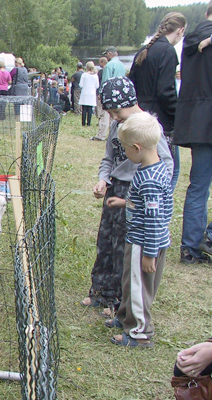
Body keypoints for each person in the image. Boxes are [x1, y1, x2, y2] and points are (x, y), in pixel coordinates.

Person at [81, 77, 174, 314]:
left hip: (136, 193)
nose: (113, 117)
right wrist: (104, 179)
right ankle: (101, 291)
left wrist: (151, 193)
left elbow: (166, 164)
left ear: (130, 102)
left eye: (116, 111)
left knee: (125, 246)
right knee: (106, 241)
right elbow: (108, 158)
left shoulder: (146, 128)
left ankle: (120, 301)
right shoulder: (117, 126)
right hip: (115, 189)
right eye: (109, 112)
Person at [104, 112, 173, 348]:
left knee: (138, 287)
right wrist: (126, 202)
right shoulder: (155, 169)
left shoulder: (149, 180)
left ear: (136, 147)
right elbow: (151, 205)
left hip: (144, 243)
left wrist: (149, 254)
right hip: (144, 240)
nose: (124, 153)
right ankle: (126, 317)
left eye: (125, 148)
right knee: (129, 282)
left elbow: (153, 220)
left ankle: (139, 333)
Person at [129, 12, 186, 193]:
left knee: (142, 168)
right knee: (170, 170)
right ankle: (162, 204)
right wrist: (178, 115)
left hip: (139, 117)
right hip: (160, 122)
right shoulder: (168, 51)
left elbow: (132, 85)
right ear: (180, 30)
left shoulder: (144, 50)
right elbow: (165, 91)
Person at [174, 2, 212, 264]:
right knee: (199, 186)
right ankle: (206, 237)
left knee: (198, 185)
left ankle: (190, 247)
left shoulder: (191, 38)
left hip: (197, 120)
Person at [91, 47, 126, 141]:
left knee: (104, 115)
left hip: (110, 94)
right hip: (119, 94)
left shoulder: (109, 65)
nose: (106, 56)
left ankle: (101, 135)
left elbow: (105, 82)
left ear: (110, 54)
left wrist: (101, 94)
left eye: (106, 54)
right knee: (116, 116)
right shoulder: (121, 65)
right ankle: (114, 135)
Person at [91, 56, 108, 141]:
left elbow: (98, 83)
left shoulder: (101, 72)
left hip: (100, 94)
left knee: (101, 112)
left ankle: (101, 131)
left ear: (102, 62)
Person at [78, 61, 99, 126]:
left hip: (85, 92)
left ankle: (83, 123)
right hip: (92, 93)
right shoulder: (95, 75)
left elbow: (81, 84)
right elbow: (97, 85)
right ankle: (89, 123)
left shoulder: (84, 75)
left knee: (84, 109)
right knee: (90, 109)